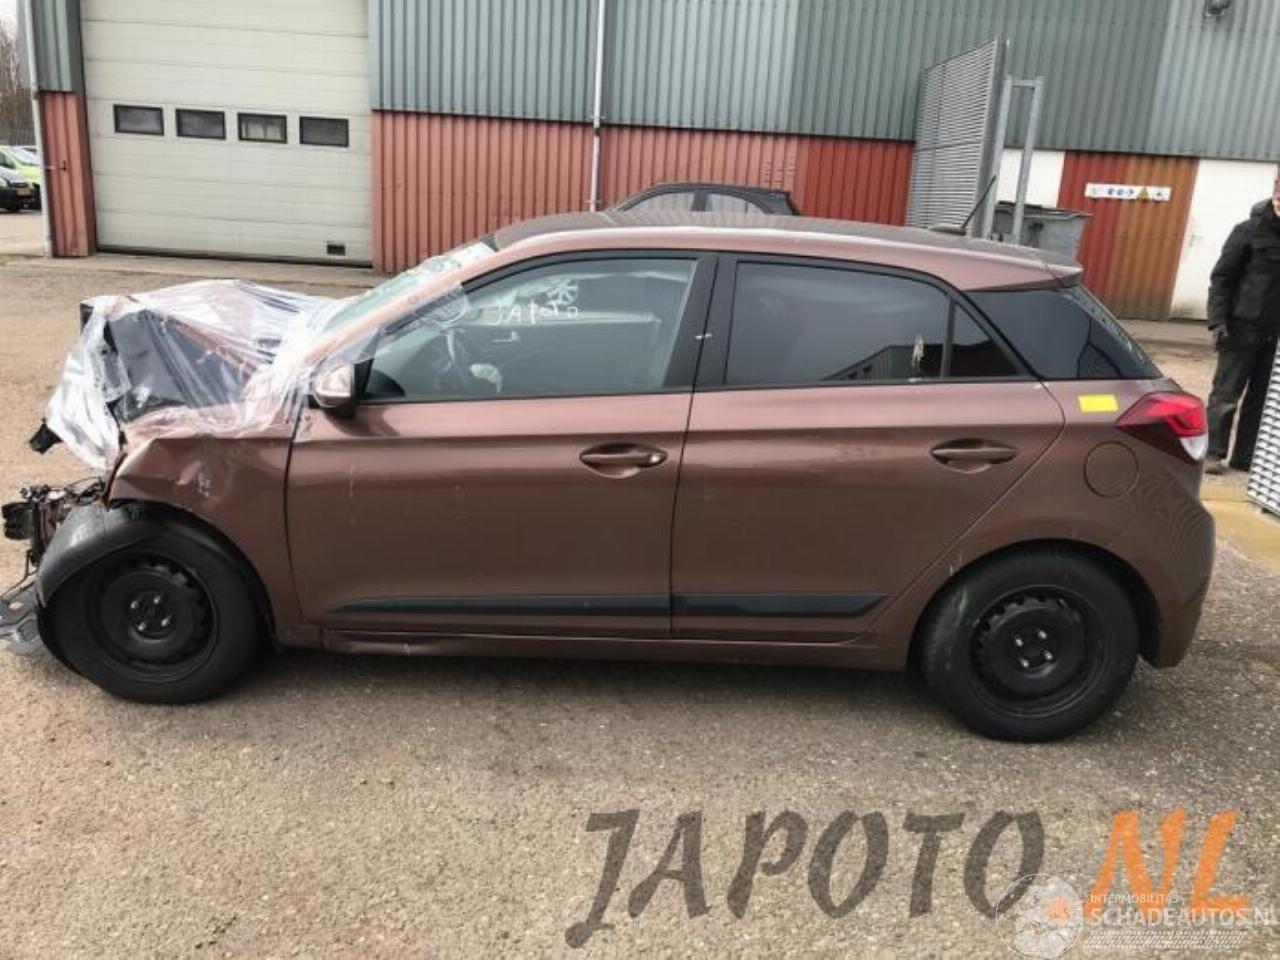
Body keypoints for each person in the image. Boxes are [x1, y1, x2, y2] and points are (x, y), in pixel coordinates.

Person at [1204, 177, 1280, 474]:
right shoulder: (1248, 230)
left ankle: (1245, 457)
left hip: (1275, 335)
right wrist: (1217, 321)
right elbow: (1222, 278)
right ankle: (1213, 453)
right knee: (1226, 395)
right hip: (1241, 328)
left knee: (1262, 400)